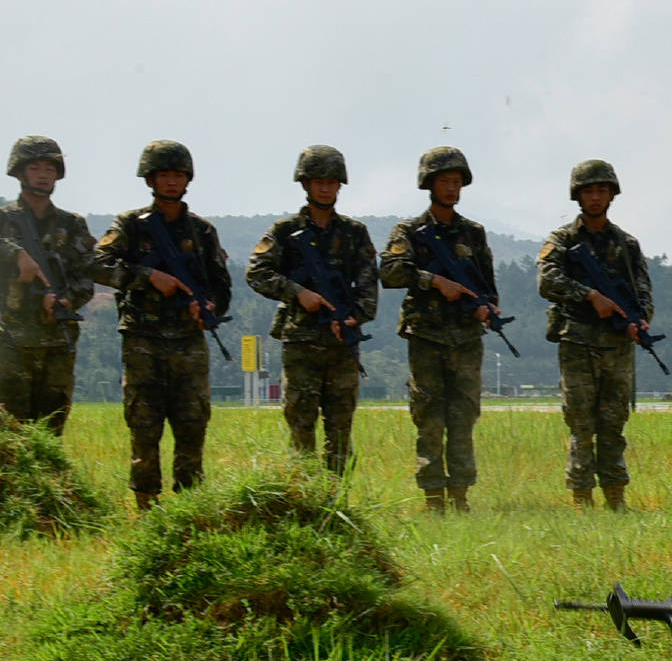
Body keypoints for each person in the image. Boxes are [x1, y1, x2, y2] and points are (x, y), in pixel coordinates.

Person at [92, 140, 231, 508]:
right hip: (144, 339)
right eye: (164, 175)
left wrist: (210, 307)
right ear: (151, 179)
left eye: (178, 175)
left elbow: (221, 283)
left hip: (188, 340)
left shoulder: (202, 232)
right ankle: (146, 509)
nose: (172, 182)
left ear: (188, 179)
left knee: (192, 424)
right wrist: (147, 276)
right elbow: (97, 265)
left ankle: (189, 508)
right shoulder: (130, 226)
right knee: (144, 423)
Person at [245, 145, 378, 472]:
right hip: (301, 343)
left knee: (340, 430)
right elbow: (256, 273)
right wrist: (297, 292)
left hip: (341, 342)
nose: (325, 187)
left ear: (340, 185)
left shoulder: (354, 233)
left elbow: (368, 285)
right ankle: (303, 501)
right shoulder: (285, 232)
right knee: (301, 428)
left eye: (332, 181)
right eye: (318, 180)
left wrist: (353, 316)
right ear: (305, 184)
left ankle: (336, 503)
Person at [379, 146, 497, 513]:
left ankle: (460, 496)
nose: (451, 188)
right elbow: (390, 272)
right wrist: (432, 281)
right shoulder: (409, 231)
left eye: (456, 182)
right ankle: (433, 498)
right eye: (444, 181)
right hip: (427, 337)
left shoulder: (473, 233)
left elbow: (487, 284)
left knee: (463, 419)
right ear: (429, 184)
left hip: (465, 337)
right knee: (429, 419)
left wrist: (487, 307)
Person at [0, 135, 97, 433]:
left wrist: (66, 299)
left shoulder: (72, 225)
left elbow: (86, 278)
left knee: (50, 429)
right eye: (35, 167)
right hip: (12, 337)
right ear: (19, 172)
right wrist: (15, 253)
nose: (44, 175)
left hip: (57, 340)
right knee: (8, 427)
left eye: (50, 168)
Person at [535, 159, 653, 511]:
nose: (596, 196)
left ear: (612, 194)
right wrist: (589, 295)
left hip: (617, 345)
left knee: (614, 424)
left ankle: (616, 498)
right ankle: (581, 499)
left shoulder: (626, 244)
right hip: (578, 343)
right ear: (578, 195)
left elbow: (643, 292)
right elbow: (547, 281)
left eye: (602, 190)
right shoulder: (562, 240)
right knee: (581, 425)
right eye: (589, 190)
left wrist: (640, 320)